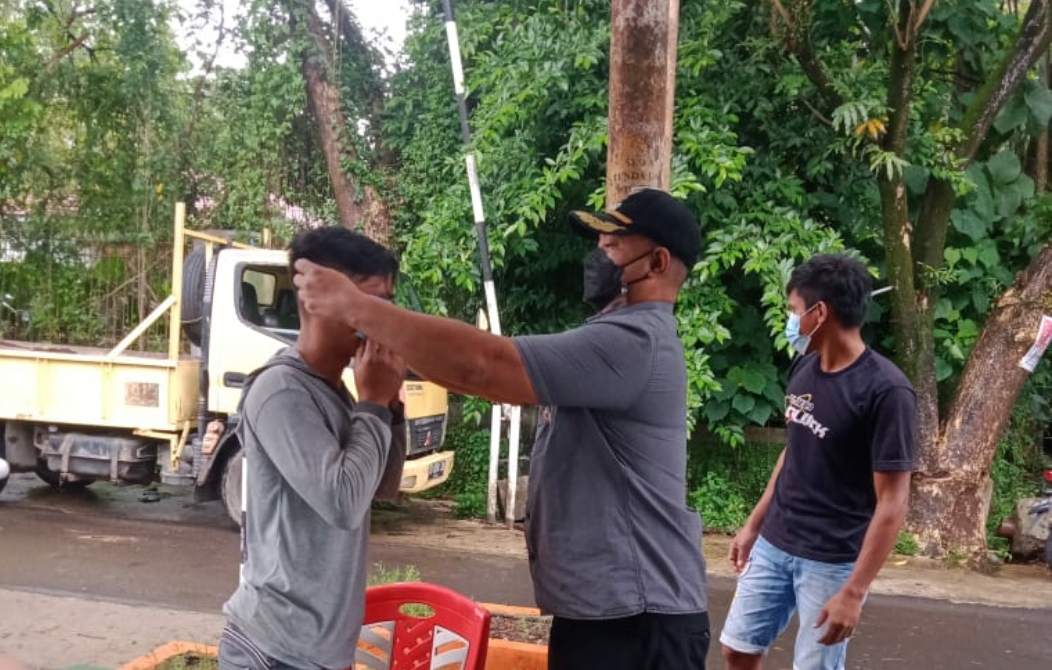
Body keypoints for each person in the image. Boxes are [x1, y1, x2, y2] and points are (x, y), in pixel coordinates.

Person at [294, 187, 710, 670]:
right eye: (598, 241)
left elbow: (483, 365)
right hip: (611, 615)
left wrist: (357, 308)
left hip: (638, 622)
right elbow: (477, 381)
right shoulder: (616, 338)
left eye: (613, 244)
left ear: (657, 262)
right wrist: (388, 350)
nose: (599, 253)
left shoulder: (633, 342)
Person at [219, 227, 408, 670]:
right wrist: (372, 403)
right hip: (274, 649)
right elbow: (342, 502)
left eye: (386, 305)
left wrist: (388, 406)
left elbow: (382, 486)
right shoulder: (281, 390)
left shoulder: (336, 392)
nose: (381, 320)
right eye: (367, 303)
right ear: (316, 300)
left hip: (320, 650)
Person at [720, 254, 916, 670]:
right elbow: (794, 448)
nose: (791, 320)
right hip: (775, 542)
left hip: (832, 559)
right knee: (737, 650)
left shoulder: (886, 391)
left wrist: (854, 591)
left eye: (794, 309)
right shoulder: (805, 366)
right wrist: (754, 524)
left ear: (820, 313)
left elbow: (893, 501)